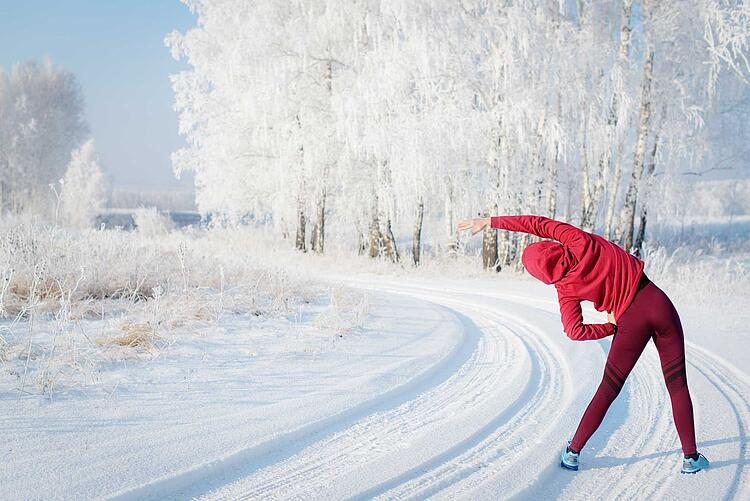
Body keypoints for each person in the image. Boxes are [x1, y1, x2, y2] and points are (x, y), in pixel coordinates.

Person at [457, 215, 709, 474]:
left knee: (608, 390)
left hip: (628, 323)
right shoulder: (576, 240)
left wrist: (611, 326)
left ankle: (573, 452)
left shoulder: (565, 289)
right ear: (551, 246)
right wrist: (491, 221)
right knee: (677, 384)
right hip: (658, 302)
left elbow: (574, 331)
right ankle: (690, 458)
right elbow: (537, 223)